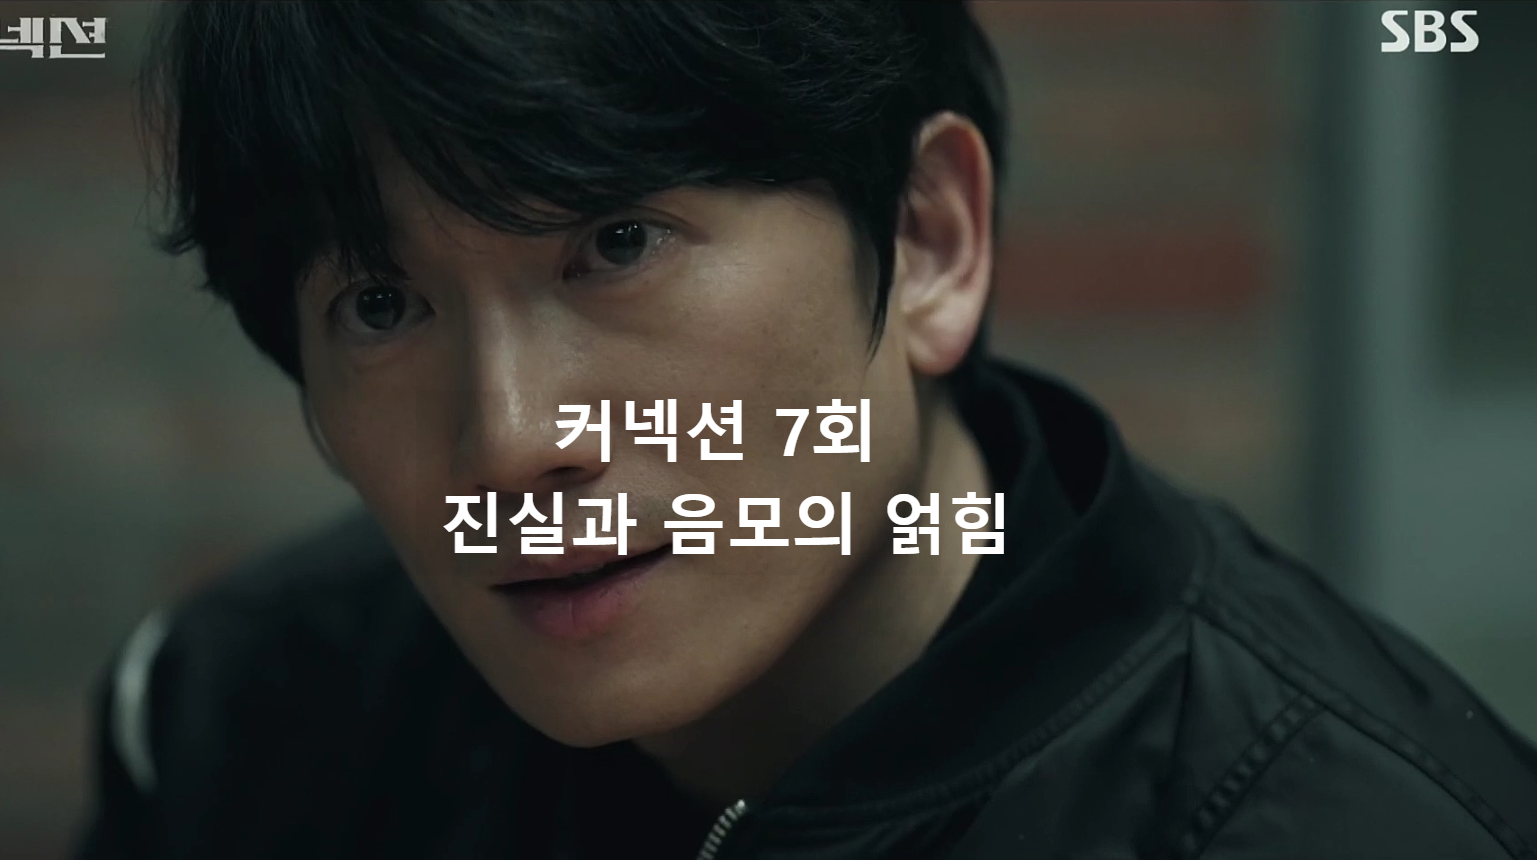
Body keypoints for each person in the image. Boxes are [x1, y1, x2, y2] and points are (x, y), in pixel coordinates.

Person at [77, 2, 1537, 858]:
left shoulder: (1340, 823)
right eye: (384, 305)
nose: (515, 443)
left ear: (927, 240)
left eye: (618, 244)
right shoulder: (244, 722)